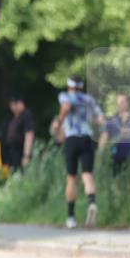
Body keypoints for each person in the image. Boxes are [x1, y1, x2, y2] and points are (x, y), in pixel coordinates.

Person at [51, 75, 104, 229]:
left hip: (72, 139)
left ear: (69, 85)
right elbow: (100, 119)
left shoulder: (65, 95)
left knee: (71, 178)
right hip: (87, 138)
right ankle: (92, 202)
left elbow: (66, 107)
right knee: (88, 175)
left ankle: (71, 216)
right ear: (81, 86)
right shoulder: (89, 99)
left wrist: (59, 122)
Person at [99, 94, 130, 177]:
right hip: (115, 156)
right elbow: (104, 137)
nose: (119, 104)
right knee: (114, 181)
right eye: (118, 103)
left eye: (122, 102)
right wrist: (100, 154)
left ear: (127, 103)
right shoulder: (111, 120)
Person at [0, 93, 35, 174]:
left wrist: (26, 155)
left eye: (14, 104)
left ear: (20, 103)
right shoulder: (12, 118)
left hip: (20, 151)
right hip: (12, 153)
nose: (12, 107)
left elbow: (29, 135)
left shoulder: (26, 116)